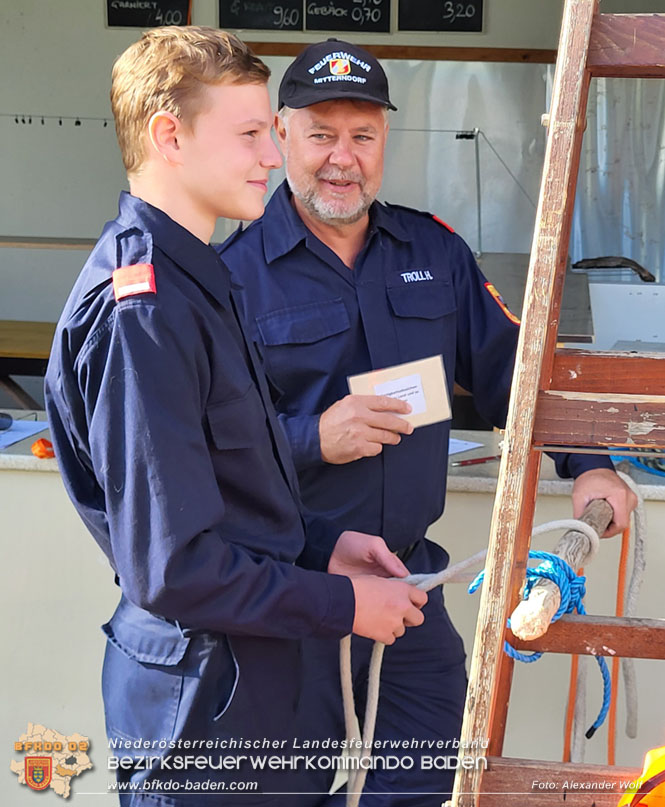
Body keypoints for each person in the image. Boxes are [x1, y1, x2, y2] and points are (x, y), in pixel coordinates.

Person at [218, 39, 638, 805]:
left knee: (426, 784)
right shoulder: (229, 277)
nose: (342, 158)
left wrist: (591, 463)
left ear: (384, 141)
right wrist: (316, 437)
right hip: (286, 597)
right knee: (280, 792)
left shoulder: (434, 251)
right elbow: (206, 452)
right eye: (321, 134)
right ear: (281, 136)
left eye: (363, 135)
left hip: (410, 587)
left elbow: (515, 370)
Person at [44, 28, 428, 806]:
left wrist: (325, 546)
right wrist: (346, 604)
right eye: (251, 133)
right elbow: (173, 564)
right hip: (205, 714)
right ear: (169, 136)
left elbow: (227, 497)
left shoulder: (197, 281)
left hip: (260, 687)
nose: (273, 156)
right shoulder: (142, 311)